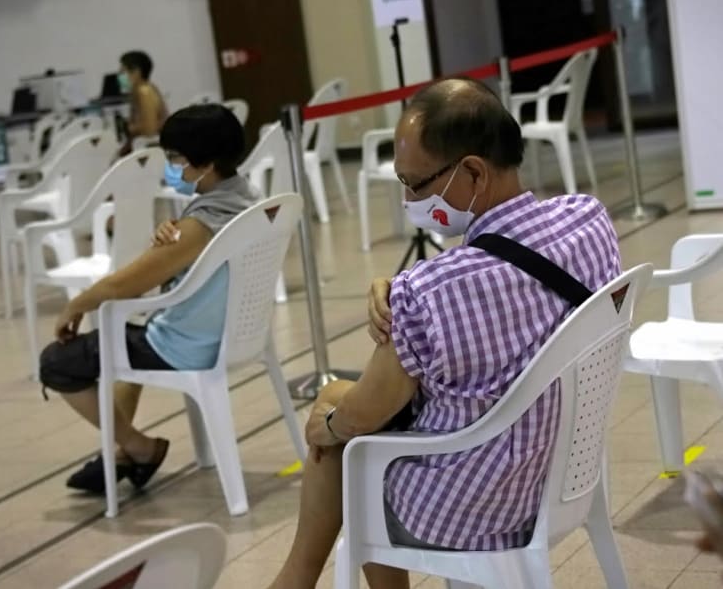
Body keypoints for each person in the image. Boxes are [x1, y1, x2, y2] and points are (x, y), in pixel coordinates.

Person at [267, 78, 621, 589]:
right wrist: (402, 289)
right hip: (563, 471)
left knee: (342, 431)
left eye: (416, 184)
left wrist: (331, 427)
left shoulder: (430, 290)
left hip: (473, 502)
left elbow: (370, 407)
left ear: (473, 171)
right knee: (345, 409)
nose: (409, 199)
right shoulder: (588, 220)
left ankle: (295, 579)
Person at [39, 103, 259, 494]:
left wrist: (75, 305)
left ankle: (140, 447)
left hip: (184, 346)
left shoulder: (200, 223)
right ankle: (121, 453)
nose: (171, 167)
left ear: (205, 163)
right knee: (125, 333)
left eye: (176, 158)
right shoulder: (248, 198)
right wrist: (172, 239)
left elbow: (123, 287)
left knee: (58, 362)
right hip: (236, 334)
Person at [117, 50, 169, 152]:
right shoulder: (141, 90)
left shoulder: (144, 92)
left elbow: (150, 129)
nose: (119, 75)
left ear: (136, 72)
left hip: (149, 147)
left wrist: (130, 128)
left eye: (122, 71)